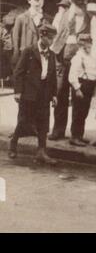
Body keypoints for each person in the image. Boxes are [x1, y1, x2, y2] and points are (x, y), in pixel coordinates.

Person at [8, 23, 58, 164]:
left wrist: (54, 94)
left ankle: (41, 151)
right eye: (50, 38)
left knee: (43, 123)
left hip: (44, 92)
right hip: (29, 92)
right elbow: (19, 73)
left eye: (53, 38)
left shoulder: (52, 55)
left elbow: (52, 76)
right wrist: (17, 92)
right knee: (24, 120)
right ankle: (13, 145)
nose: (52, 41)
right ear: (42, 36)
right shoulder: (29, 51)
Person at [49, 0, 90, 141]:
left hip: (80, 62)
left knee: (79, 98)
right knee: (60, 94)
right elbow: (53, 36)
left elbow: (93, 42)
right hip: (61, 60)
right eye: (77, 0)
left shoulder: (89, 18)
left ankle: (77, 135)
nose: (80, 4)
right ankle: (58, 130)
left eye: (82, 1)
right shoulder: (61, 16)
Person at [68, 33, 96, 146]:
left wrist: (93, 88)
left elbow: (93, 72)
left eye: (89, 43)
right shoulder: (78, 57)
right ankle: (74, 137)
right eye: (85, 43)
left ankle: (80, 135)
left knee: (84, 113)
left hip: (89, 86)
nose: (88, 45)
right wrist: (77, 89)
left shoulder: (92, 56)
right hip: (80, 86)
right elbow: (72, 75)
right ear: (81, 45)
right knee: (77, 113)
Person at [12, 0, 49, 65]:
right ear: (29, 0)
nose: (39, 2)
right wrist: (17, 58)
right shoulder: (21, 18)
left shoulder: (46, 19)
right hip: (26, 59)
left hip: (42, 58)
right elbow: (16, 41)